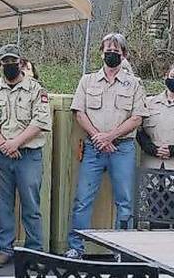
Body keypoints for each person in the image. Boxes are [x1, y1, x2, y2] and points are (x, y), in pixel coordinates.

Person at [65, 33, 148, 259]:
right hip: (93, 148)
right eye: (107, 50)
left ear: (125, 54)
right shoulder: (87, 80)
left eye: (116, 51)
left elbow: (137, 118)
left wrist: (110, 137)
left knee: (125, 201)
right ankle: (76, 247)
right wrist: (98, 137)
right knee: (83, 199)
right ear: (101, 52)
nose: (111, 54)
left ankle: (121, 250)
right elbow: (79, 112)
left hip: (122, 149)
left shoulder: (135, 84)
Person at [0, 44, 51, 268]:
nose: (10, 65)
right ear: (0, 64)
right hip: (2, 155)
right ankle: (4, 249)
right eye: (6, 62)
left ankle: (34, 252)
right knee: (2, 204)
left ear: (21, 63)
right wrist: (4, 145)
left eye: (14, 61)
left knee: (31, 205)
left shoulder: (37, 90)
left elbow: (40, 122)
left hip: (28, 155)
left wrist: (15, 143)